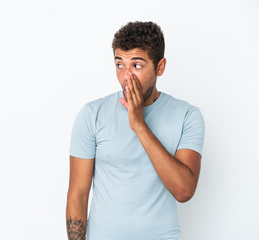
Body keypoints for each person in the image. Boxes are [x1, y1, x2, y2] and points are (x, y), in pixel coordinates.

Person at [66, 21, 205, 240]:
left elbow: (184, 191)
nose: (126, 76)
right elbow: (78, 195)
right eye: (120, 64)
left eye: (137, 65)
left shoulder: (187, 115)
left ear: (160, 67)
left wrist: (139, 125)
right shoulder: (92, 114)